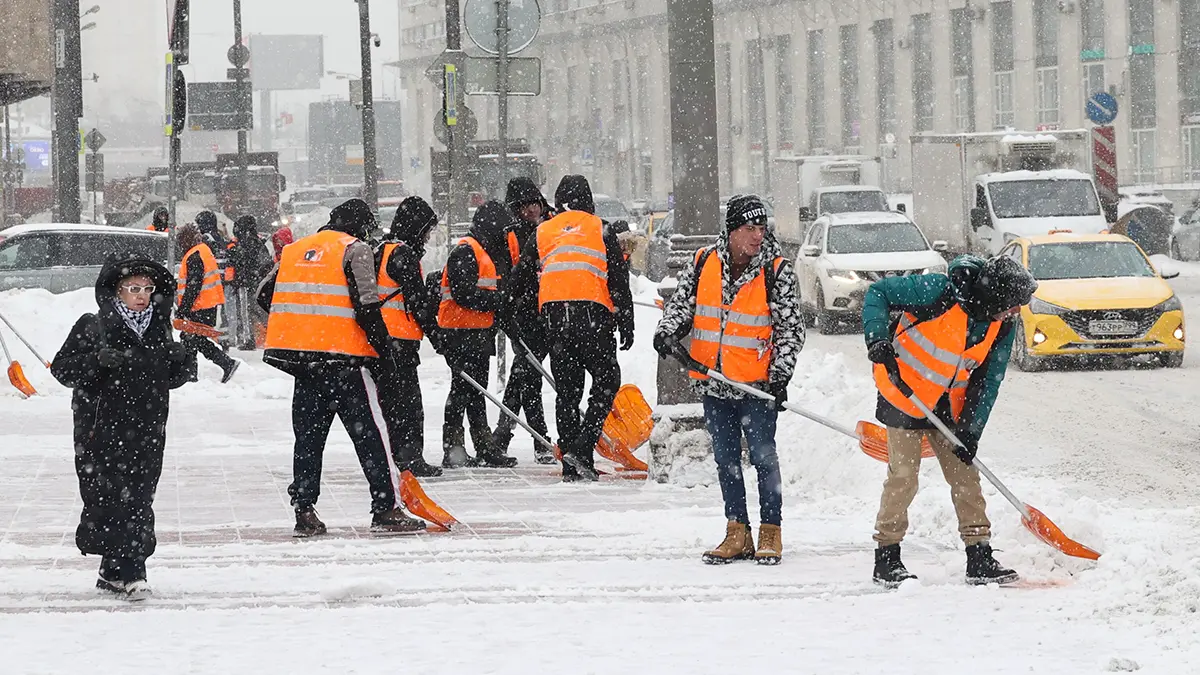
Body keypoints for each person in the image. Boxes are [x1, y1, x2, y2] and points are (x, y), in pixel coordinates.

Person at [862, 254, 1038, 587]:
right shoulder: (938, 291)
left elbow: (988, 380)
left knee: (966, 477)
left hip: (949, 407)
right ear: (997, 295)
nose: (1016, 311)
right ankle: (886, 558)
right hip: (904, 392)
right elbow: (878, 293)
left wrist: (971, 430)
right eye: (1014, 304)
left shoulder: (1002, 324)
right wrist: (877, 339)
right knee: (903, 477)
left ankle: (979, 556)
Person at [258, 198, 426, 536]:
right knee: (371, 437)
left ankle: (304, 511)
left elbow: (264, 294)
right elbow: (367, 305)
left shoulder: (294, 250)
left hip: (304, 362)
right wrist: (384, 353)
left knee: (308, 438)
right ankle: (386, 508)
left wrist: (304, 324)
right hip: (344, 363)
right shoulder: (356, 249)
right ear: (361, 226)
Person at [652, 195, 804, 565]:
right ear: (732, 231)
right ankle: (737, 531)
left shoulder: (776, 272)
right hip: (714, 384)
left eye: (761, 228)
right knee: (726, 460)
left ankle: (771, 531)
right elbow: (681, 306)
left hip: (757, 387)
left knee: (764, 459)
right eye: (749, 229)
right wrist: (667, 331)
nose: (757, 236)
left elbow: (790, 331)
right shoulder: (704, 262)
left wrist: (779, 377)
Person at [50, 253, 191, 600]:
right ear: (116, 292)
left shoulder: (160, 329)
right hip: (101, 430)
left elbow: (169, 380)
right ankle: (130, 571)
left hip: (147, 428)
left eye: (148, 288)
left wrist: (182, 361)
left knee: (140, 497)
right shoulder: (92, 325)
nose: (142, 295)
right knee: (110, 498)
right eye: (133, 288)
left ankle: (117, 571)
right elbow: (62, 369)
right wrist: (95, 361)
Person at [508, 175, 635, 482]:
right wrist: (626, 321)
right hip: (593, 315)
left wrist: (518, 315)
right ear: (588, 199)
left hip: (555, 319)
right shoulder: (601, 229)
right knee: (606, 380)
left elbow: (519, 280)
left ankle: (571, 462)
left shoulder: (543, 231)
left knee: (567, 391)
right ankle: (583, 447)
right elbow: (618, 281)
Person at [437, 200, 519, 469]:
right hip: (461, 333)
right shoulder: (467, 251)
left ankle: (483, 446)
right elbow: (463, 294)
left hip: (477, 333)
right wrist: (498, 300)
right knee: (461, 392)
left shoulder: (482, 251)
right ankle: (454, 448)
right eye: (503, 229)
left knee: (475, 392)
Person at [373, 196, 443, 478]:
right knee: (409, 406)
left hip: (379, 341)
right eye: (426, 231)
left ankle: (393, 457)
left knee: (389, 405)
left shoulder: (381, 250)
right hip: (399, 342)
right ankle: (411, 459)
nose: (426, 238)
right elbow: (418, 303)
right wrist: (438, 337)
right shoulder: (404, 256)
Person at [492, 177, 556, 464]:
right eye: (522, 207)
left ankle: (506, 436)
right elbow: (506, 276)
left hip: (555, 309)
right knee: (526, 376)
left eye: (533, 204)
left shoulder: (554, 227)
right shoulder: (510, 236)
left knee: (524, 377)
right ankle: (538, 439)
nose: (529, 211)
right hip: (526, 314)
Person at [176, 223, 241, 383]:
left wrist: (183, 309)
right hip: (207, 304)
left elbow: (193, 285)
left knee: (193, 338)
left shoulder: (194, 255)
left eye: (181, 240)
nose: (180, 245)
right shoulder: (202, 250)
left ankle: (224, 363)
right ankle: (191, 374)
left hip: (199, 306)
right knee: (191, 339)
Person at [225, 215, 272, 350]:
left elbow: (239, 263)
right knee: (260, 310)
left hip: (246, 284)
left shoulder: (244, 244)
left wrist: (239, 280)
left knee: (247, 312)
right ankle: (271, 335)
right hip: (259, 283)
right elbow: (265, 263)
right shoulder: (259, 242)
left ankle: (249, 339)